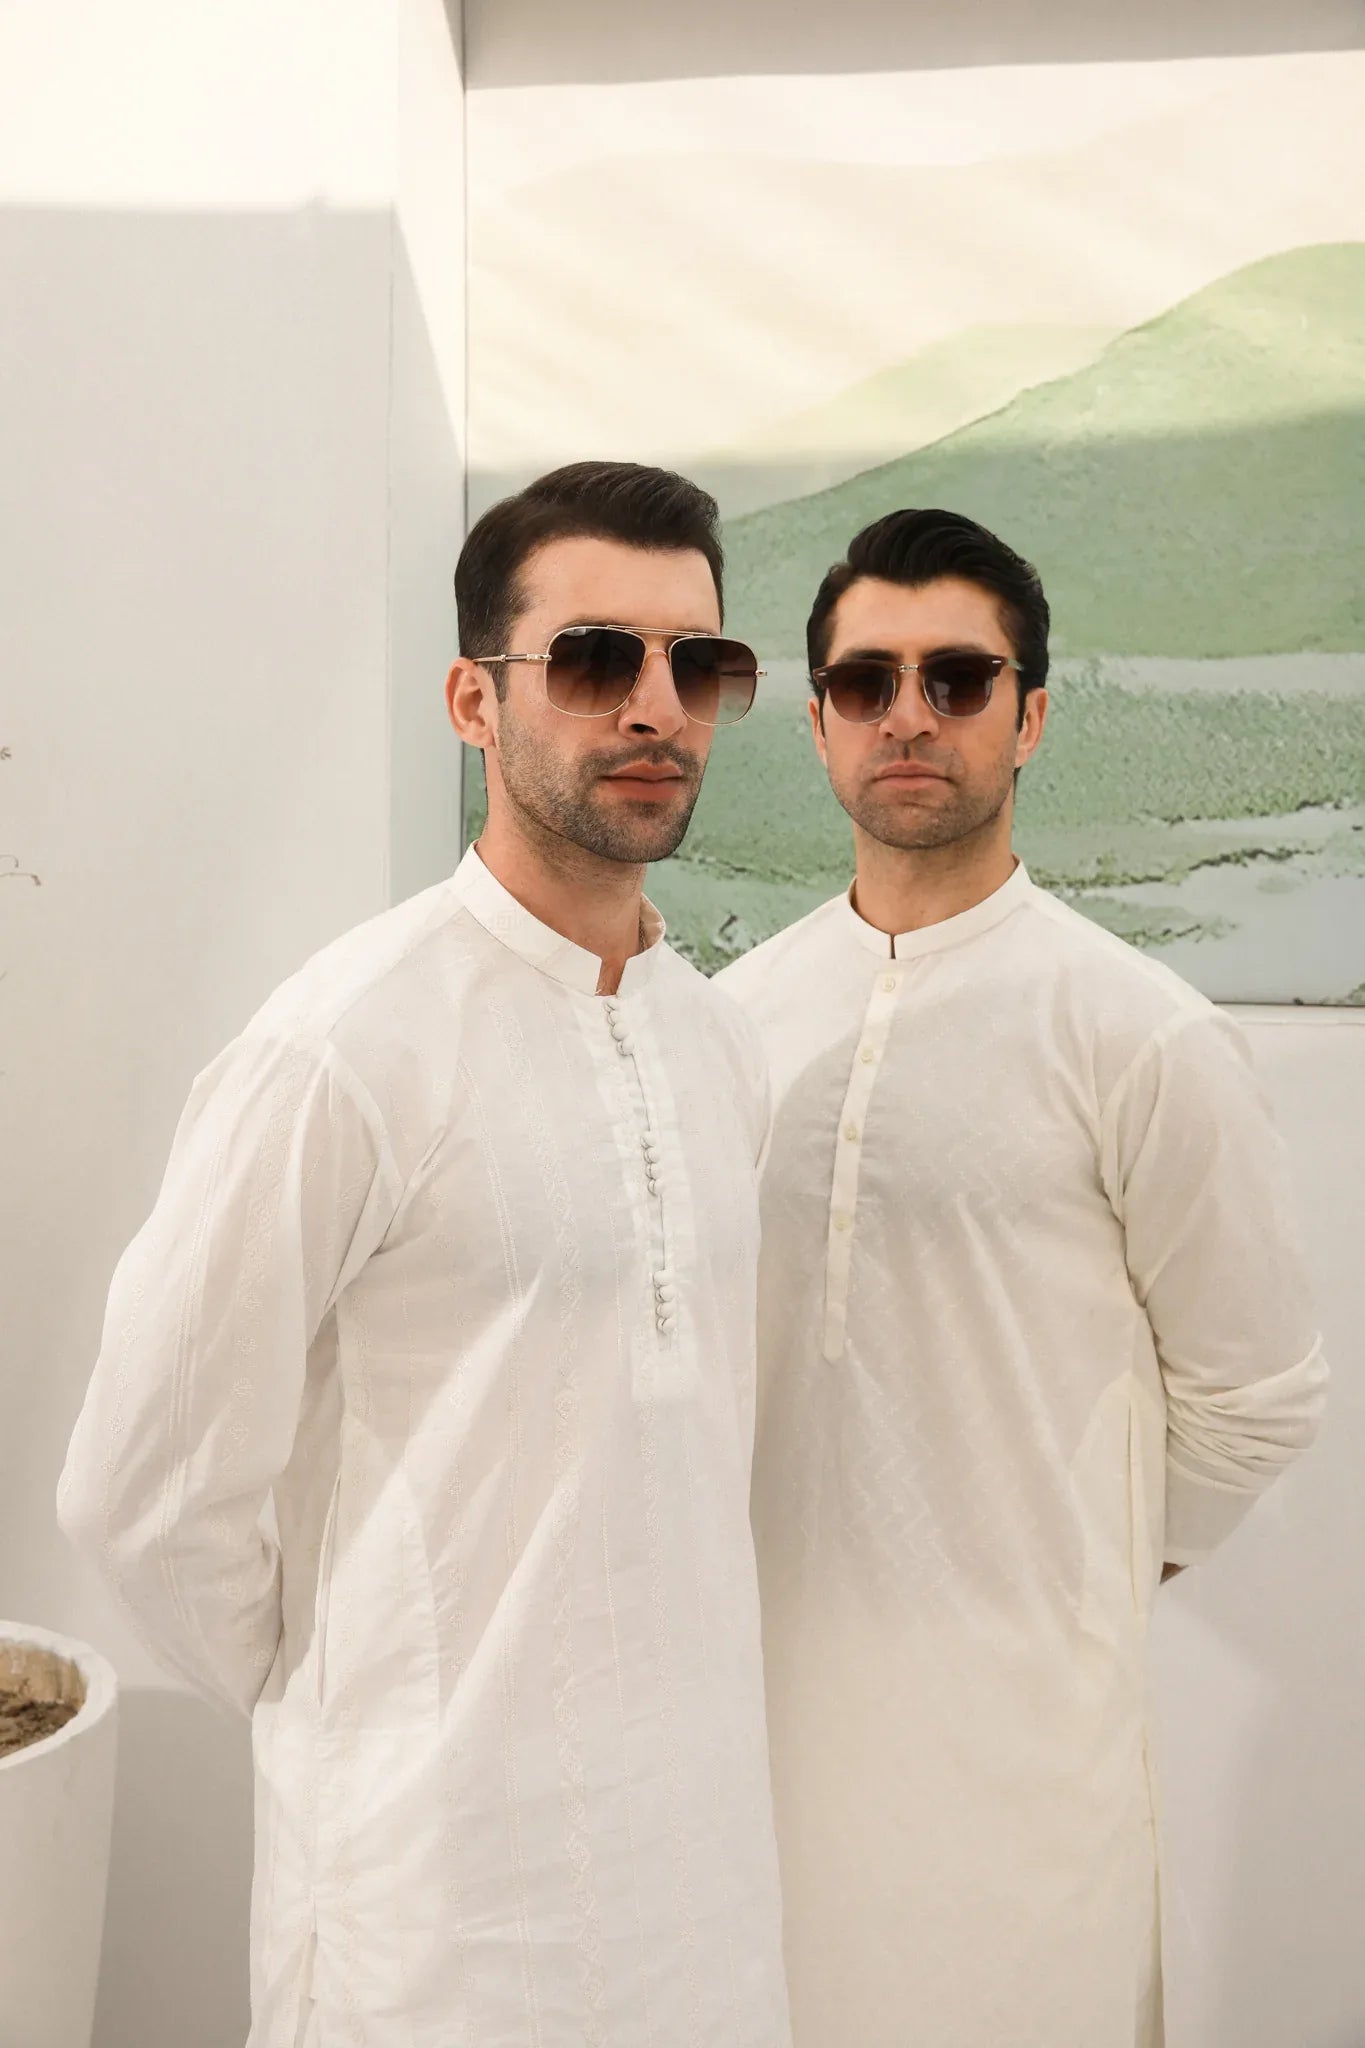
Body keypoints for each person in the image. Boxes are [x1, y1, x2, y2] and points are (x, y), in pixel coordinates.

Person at [59, 462, 792, 2048]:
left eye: (698, 664)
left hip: (699, 1886)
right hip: (435, 1905)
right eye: (596, 660)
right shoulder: (343, 1047)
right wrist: (358, 1695)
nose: (655, 705)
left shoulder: (718, 1047)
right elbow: (143, 1488)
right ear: (476, 699)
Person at [716, 508, 1327, 2048]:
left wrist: (1072, 1559)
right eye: (863, 681)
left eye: (956, 677)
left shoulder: (1137, 1031)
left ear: (1030, 715)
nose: (906, 714)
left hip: (1019, 1759)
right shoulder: (726, 1022)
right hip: (751, 1739)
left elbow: (1256, 1396)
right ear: (816, 723)